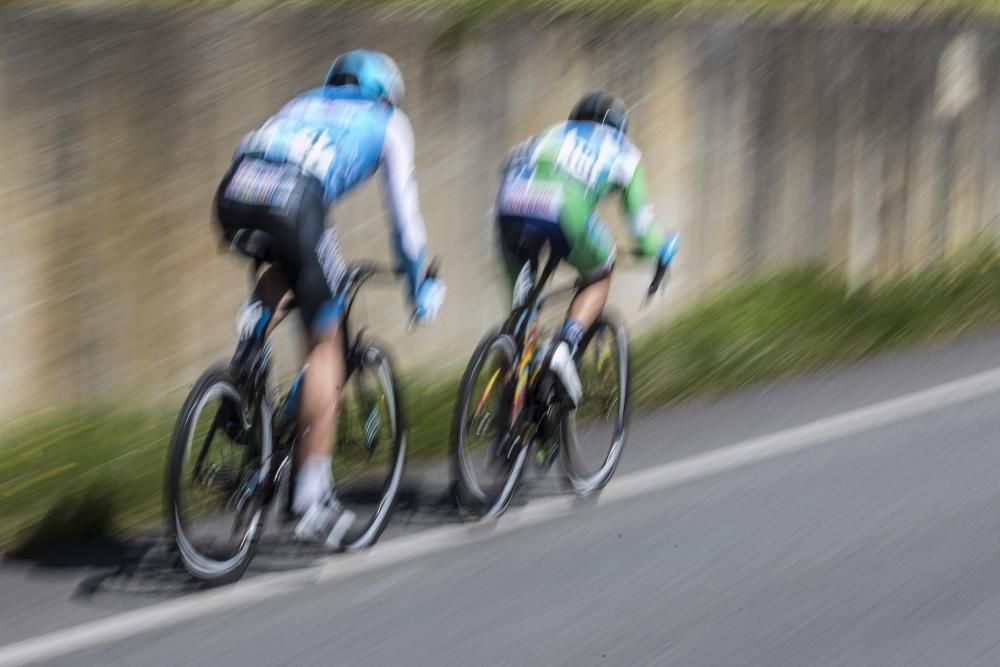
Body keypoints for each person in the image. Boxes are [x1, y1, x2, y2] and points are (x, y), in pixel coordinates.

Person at [214, 50, 445, 548]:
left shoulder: (303, 102)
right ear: (386, 93)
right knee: (327, 343)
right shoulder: (388, 121)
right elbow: (404, 220)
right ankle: (310, 498)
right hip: (296, 201)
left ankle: (249, 345)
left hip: (236, 189)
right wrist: (417, 281)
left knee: (291, 267)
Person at [495, 91, 679, 405]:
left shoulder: (552, 133)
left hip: (511, 202)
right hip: (563, 207)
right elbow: (641, 232)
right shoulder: (625, 152)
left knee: (522, 314)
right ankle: (565, 347)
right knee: (600, 269)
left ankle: (507, 411)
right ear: (620, 128)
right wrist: (663, 248)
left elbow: (507, 164)